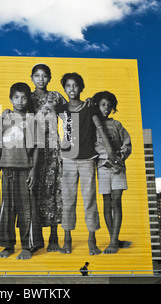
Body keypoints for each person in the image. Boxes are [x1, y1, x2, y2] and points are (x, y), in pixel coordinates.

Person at [0, 82, 44, 260]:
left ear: (28, 99)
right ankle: (8, 245)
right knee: (7, 208)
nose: (20, 101)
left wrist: (34, 171)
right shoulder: (4, 118)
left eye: (24, 97)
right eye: (16, 97)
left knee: (26, 208)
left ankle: (27, 246)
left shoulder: (33, 121)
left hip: (26, 168)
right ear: (10, 99)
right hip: (7, 167)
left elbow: (38, 147)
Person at [58, 72, 101, 256]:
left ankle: (92, 239)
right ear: (64, 89)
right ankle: (67, 239)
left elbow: (100, 127)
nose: (72, 89)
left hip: (87, 159)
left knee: (89, 200)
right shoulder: (60, 109)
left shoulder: (90, 107)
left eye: (75, 85)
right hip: (67, 158)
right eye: (68, 86)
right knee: (67, 201)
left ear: (81, 87)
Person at [28, 64, 66, 252]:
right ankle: (37, 240)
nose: (41, 79)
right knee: (34, 191)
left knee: (53, 191)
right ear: (32, 77)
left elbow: (71, 116)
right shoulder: (28, 97)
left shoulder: (56, 96)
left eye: (44, 76)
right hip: (32, 147)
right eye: (37, 75)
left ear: (49, 78)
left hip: (52, 148)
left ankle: (54, 238)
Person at [92, 91, 132, 254]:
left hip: (117, 168)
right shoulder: (92, 125)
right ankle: (113, 238)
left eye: (109, 105)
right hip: (102, 167)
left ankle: (114, 241)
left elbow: (127, 145)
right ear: (97, 106)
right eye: (103, 104)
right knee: (106, 204)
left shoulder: (117, 125)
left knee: (116, 202)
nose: (106, 108)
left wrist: (119, 158)